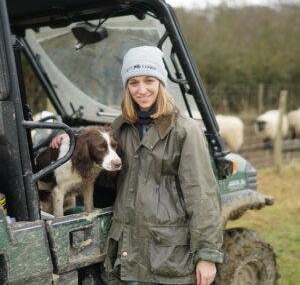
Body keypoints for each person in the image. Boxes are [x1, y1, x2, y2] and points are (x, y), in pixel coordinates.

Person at [51, 46, 224, 285]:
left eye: (149, 80)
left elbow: (202, 194)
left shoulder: (185, 130)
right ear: (127, 86)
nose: (141, 90)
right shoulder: (121, 126)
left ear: (161, 83)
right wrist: (71, 143)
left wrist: (207, 255)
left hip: (169, 252)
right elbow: (104, 161)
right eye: (133, 83)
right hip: (128, 250)